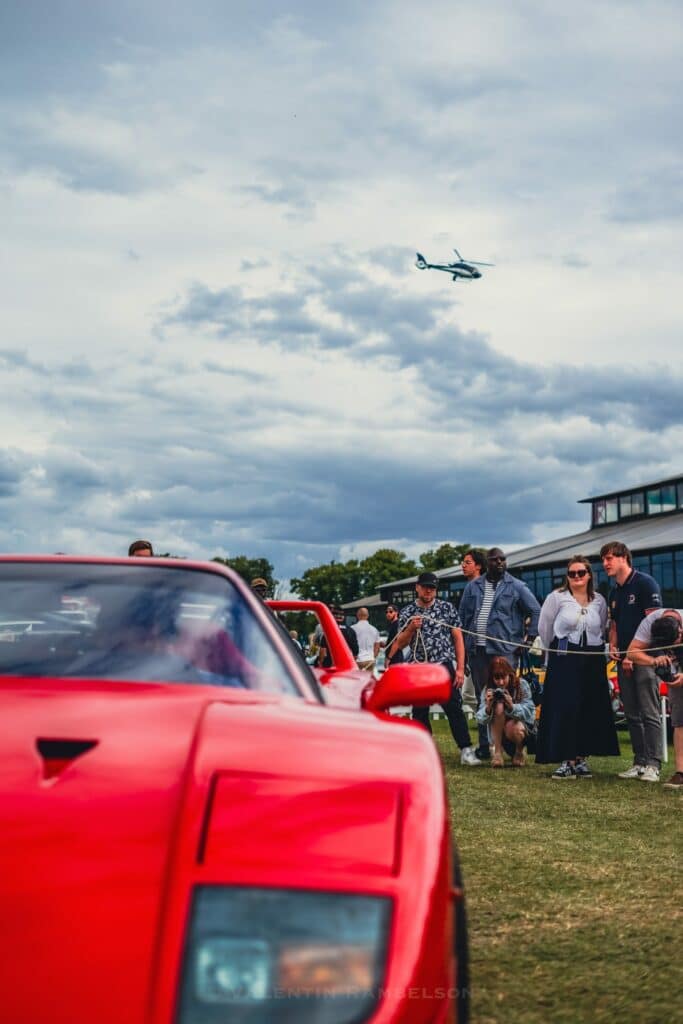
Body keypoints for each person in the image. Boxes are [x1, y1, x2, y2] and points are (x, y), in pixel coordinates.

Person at [535, 556, 619, 779]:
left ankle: (581, 757)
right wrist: (553, 652)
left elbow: (601, 626)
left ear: (589, 574)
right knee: (565, 706)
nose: (576, 577)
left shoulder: (599, 600)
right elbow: (545, 628)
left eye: (581, 573)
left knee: (588, 705)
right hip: (565, 656)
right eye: (572, 574)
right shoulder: (557, 598)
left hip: (591, 657)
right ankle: (567, 758)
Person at [458, 548, 541, 761]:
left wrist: (529, 639)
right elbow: (463, 617)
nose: (500, 563)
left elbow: (535, 610)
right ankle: (486, 747)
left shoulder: (516, 586)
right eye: (495, 560)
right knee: (482, 697)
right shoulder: (473, 587)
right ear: (487, 562)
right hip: (478, 651)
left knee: (507, 698)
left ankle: (514, 746)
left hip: (505, 651)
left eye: (503, 559)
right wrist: (465, 648)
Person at [392, 571, 480, 766]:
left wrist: (459, 668)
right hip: (419, 667)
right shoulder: (407, 612)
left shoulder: (446, 608)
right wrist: (411, 629)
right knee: (420, 711)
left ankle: (466, 749)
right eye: (425, 587)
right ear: (417, 587)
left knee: (454, 707)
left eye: (432, 588)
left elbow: (458, 638)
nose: (428, 591)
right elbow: (401, 642)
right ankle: (426, 750)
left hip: (443, 664)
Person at [600, 541, 663, 782]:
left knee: (649, 711)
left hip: (646, 659)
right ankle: (639, 761)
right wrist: (614, 644)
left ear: (624, 557)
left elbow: (655, 625)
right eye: (604, 559)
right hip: (623, 658)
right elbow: (614, 624)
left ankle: (654, 764)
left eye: (610, 558)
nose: (605, 563)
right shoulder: (614, 591)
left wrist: (632, 654)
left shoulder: (645, 583)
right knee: (632, 714)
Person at [627, 609, 683, 788]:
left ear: (680, 631)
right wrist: (653, 661)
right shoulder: (650, 622)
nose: (669, 649)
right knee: (679, 721)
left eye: (673, 643)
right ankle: (681, 773)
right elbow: (632, 652)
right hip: (676, 674)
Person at [475, 656, 536, 767]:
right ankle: (497, 753)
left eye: (504, 677)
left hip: (519, 731)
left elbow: (531, 713)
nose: (501, 682)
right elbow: (480, 718)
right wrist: (488, 708)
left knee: (512, 727)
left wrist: (512, 706)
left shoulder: (521, 685)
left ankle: (519, 752)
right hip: (499, 735)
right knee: (498, 707)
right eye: (497, 678)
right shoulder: (488, 689)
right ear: (492, 678)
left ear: (510, 674)